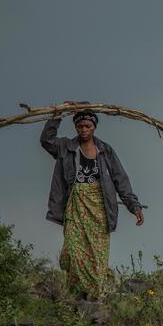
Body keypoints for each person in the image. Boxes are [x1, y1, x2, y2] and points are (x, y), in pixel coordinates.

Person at [40, 110, 144, 300]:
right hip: (76, 205)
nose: (84, 130)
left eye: (88, 126)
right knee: (71, 251)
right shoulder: (66, 147)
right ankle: (78, 289)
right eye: (80, 126)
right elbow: (47, 140)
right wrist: (56, 115)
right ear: (75, 127)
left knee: (96, 254)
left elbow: (120, 179)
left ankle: (93, 293)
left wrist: (134, 205)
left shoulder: (105, 151)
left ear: (95, 127)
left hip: (99, 208)